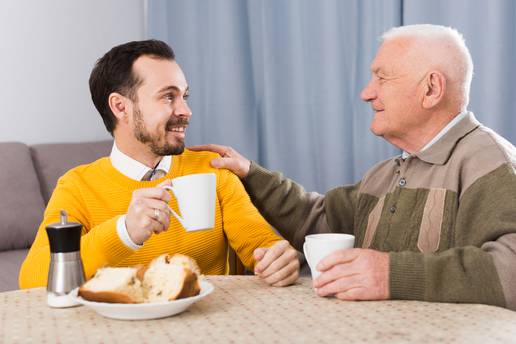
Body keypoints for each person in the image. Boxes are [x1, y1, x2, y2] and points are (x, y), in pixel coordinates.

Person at [190, 24, 516, 310]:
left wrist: (389, 275)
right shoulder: (387, 174)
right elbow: (320, 220)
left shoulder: (491, 163)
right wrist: (251, 174)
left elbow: (511, 270)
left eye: (382, 77)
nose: (366, 93)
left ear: (431, 89)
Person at [19, 40, 300, 288]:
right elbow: (32, 278)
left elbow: (261, 245)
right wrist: (124, 233)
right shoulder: (77, 187)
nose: (186, 111)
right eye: (168, 96)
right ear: (120, 107)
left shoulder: (212, 169)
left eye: (184, 96)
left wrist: (278, 260)